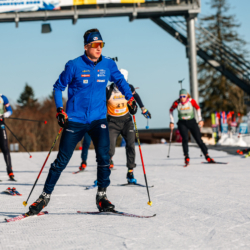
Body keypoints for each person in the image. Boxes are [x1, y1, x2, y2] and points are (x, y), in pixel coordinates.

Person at [28, 28, 137, 215]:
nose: (98, 48)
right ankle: (44, 197)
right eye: (95, 45)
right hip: (75, 120)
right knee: (61, 160)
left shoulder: (108, 65)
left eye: (101, 45)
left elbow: (120, 81)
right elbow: (58, 87)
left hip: (98, 119)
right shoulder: (74, 65)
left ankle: (102, 196)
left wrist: (130, 98)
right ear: (86, 47)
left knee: (104, 157)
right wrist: (60, 110)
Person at [107, 69, 151, 183]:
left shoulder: (129, 88)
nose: (122, 85)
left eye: (124, 82)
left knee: (131, 145)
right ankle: (108, 164)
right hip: (112, 122)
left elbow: (136, 97)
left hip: (127, 121)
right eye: (119, 82)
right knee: (110, 147)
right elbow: (100, 103)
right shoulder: (108, 90)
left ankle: (130, 172)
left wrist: (143, 109)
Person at [169, 89, 214, 165]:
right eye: (181, 96)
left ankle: (207, 156)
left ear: (186, 96)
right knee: (185, 139)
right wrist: (171, 121)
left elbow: (198, 108)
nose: (182, 98)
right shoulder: (177, 103)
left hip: (191, 122)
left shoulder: (191, 101)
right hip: (182, 123)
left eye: (184, 96)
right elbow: (171, 110)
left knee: (198, 139)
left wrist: (200, 120)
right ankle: (186, 156)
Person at [0, 94, 15, 181]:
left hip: (1, 124)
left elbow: (10, 111)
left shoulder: (3, 98)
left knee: (5, 148)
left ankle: (10, 172)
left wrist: (4, 115)